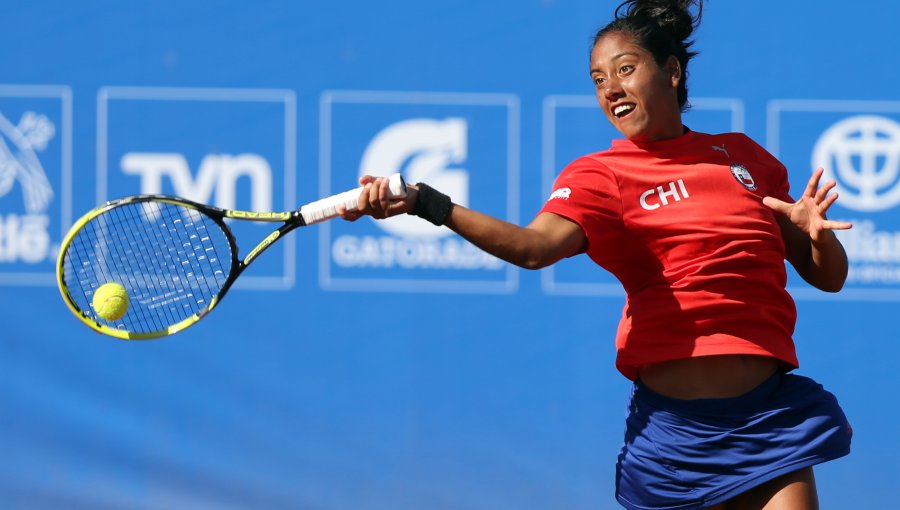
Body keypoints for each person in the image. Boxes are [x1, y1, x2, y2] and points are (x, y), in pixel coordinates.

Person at [342, 1, 853, 508]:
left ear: (672, 71)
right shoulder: (599, 176)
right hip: (674, 440)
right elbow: (533, 248)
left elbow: (827, 278)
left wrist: (818, 236)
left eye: (626, 69)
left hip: (766, 422)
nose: (611, 88)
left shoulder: (744, 157)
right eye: (598, 79)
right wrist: (427, 202)